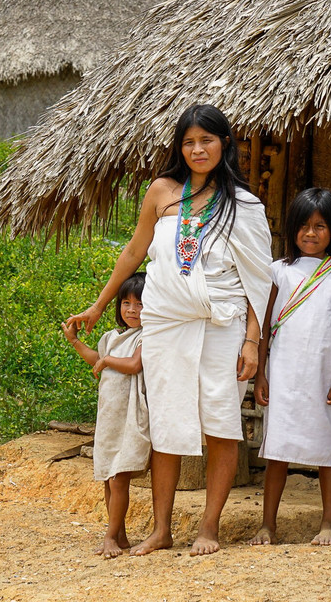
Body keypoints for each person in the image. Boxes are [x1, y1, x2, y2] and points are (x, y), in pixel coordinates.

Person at [66, 104, 272, 557]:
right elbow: (134, 252)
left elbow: (260, 282)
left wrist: (253, 343)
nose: (198, 149)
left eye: (207, 140)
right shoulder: (161, 191)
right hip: (164, 325)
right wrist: (99, 305)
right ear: (179, 147)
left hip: (221, 325)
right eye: (189, 142)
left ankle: (209, 528)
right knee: (167, 422)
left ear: (224, 144)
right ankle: (161, 530)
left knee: (220, 423)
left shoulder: (245, 205)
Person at [249, 188, 331, 547]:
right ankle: (268, 524)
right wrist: (261, 373)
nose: (311, 233)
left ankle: (328, 522)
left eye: (320, 226)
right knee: (278, 448)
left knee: (328, 448)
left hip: (324, 375)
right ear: (293, 229)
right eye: (304, 226)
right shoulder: (278, 272)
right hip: (284, 374)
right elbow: (265, 327)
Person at [61, 272, 149, 559]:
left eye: (140, 304)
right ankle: (119, 534)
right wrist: (75, 342)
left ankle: (110, 536)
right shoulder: (111, 336)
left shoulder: (148, 335)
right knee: (107, 476)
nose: (132, 310)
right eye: (126, 303)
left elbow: (134, 365)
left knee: (119, 477)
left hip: (130, 416)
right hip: (109, 415)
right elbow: (96, 362)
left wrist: (107, 359)